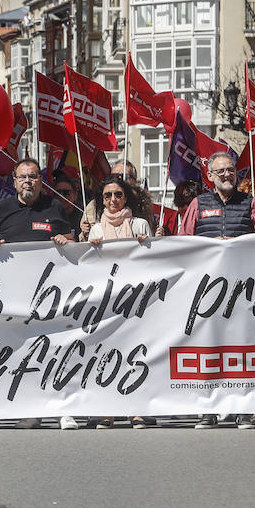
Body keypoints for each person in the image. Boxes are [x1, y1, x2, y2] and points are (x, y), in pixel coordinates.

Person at [0, 158, 75, 429]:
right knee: (9, 351)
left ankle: (61, 408)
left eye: (33, 177)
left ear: (41, 181)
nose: (28, 182)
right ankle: (3, 406)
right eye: (23, 177)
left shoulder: (54, 207)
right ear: (14, 181)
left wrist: (65, 241)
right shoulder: (3, 209)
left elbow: (74, 244)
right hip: (11, 299)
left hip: (49, 298)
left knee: (52, 350)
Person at [178, 153, 255, 430]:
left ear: (236, 173)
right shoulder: (197, 204)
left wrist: (237, 245)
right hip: (207, 291)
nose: (226, 175)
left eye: (230, 170)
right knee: (208, 349)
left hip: (242, 290)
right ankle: (208, 410)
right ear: (210, 177)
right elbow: (184, 243)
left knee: (241, 350)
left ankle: (243, 408)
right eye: (220, 171)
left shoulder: (250, 203)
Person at [85, 176, 156, 430]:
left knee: (136, 353)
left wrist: (145, 244)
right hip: (107, 302)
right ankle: (107, 410)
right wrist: (91, 248)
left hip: (136, 299)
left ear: (126, 197)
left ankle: (137, 410)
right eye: (107, 196)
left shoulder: (140, 224)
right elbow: (88, 267)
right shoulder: (96, 229)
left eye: (118, 194)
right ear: (101, 200)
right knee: (106, 354)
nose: (113, 200)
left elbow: (153, 260)